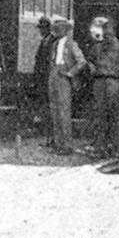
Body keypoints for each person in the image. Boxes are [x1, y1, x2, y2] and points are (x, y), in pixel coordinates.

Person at [87, 17, 119, 158]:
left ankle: (116, 149)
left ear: (114, 33)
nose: (107, 36)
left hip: (115, 85)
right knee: (99, 117)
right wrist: (91, 67)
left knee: (116, 118)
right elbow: (89, 61)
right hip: (99, 84)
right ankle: (99, 148)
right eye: (105, 33)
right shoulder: (96, 48)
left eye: (109, 33)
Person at [48, 17, 87, 156]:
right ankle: (58, 144)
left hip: (64, 78)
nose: (57, 31)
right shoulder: (54, 44)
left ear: (65, 30)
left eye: (60, 28)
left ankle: (67, 145)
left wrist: (71, 73)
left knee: (64, 112)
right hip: (53, 76)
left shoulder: (71, 44)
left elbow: (81, 62)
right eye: (56, 28)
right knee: (54, 111)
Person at [32, 16, 57, 145]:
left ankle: (53, 139)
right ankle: (49, 139)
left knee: (52, 110)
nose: (41, 31)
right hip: (43, 80)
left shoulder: (53, 42)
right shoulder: (44, 42)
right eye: (40, 28)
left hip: (50, 79)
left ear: (48, 28)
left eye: (42, 28)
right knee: (46, 109)